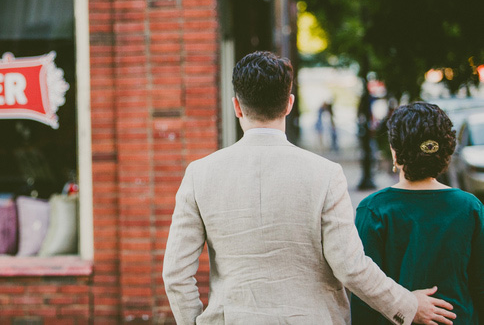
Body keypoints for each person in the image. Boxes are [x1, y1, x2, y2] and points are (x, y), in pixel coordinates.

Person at [162, 51, 455, 324]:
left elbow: (176, 275)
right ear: (288, 103)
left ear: (237, 106)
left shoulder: (200, 174)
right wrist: (407, 305)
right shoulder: (325, 175)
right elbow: (351, 267)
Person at [352, 102, 484, 324]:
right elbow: (480, 286)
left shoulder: (374, 209)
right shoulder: (470, 207)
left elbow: (363, 293)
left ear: (395, 152)